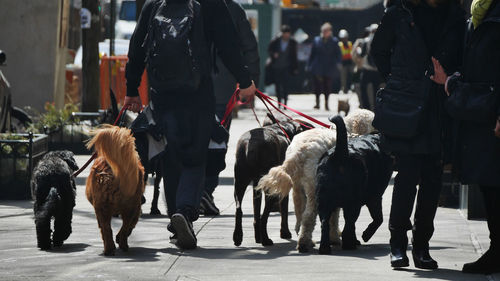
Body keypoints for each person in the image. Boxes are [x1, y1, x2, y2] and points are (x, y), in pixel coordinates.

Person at [124, 0, 256, 250]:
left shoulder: (155, 4)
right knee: (195, 157)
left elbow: (137, 46)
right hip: (198, 95)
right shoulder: (210, 4)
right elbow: (229, 44)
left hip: (162, 94)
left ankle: (177, 217)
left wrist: (131, 89)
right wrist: (245, 80)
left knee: (171, 156)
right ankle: (184, 212)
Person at [371, 0, 465, 269]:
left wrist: (450, 77)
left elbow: (463, 57)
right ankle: (397, 244)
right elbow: (378, 51)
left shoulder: (454, 14)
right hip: (408, 104)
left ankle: (421, 245)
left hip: (440, 104)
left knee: (433, 179)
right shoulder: (399, 13)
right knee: (407, 175)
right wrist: (399, 81)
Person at [430, 0, 500, 274]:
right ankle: (497, 250)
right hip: (481, 114)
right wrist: (451, 81)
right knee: (490, 186)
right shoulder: (480, 14)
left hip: (492, 113)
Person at [201, 0, 260, 216]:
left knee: (187, 140)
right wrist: (251, 82)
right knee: (216, 140)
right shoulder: (232, 8)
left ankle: (185, 195)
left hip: (182, 87)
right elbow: (248, 47)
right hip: (221, 88)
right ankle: (205, 190)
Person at [307, 22, 342, 110]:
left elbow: (338, 53)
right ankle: (317, 102)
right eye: (323, 31)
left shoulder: (334, 41)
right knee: (317, 86)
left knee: (327, 86)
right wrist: (309, 65)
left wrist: (338, 63)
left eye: (326, 31)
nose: (324, 32)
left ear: (330, 32)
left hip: (329, 66)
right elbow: (312, 54)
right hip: (318, 66)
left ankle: (326, 103)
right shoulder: (316, 40)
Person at [354, 24, 384, 110]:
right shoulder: (382, 41)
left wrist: (358, 50)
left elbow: (362, 54)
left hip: (367, 69)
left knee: (363, 88)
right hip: (377, 70)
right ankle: (376, 107)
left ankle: (366, 107)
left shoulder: (366, 41)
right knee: (376, 90)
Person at [268, 25, 298, 107]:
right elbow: (269, 50)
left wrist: (295, 67)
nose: (286, 35)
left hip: (287, 67)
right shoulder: (276, 41)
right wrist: (273, 54)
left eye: (287, 33)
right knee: (277, 85)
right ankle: (279, 103)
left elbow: (294, 56)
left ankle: (285, 103)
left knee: (286, 86)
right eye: (285, 33)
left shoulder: (292, 42)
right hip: (277, 66)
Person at [338, 29, 354, 94]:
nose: (344, 39)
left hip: (350, 62)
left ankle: (351, 88)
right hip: (343, 63)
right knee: (343, 77)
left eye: (345, 38)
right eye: (343, 38)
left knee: (351, 76)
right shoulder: (339, 45)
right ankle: (343, 89)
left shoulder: (350, 44)